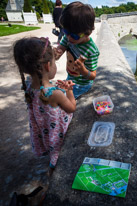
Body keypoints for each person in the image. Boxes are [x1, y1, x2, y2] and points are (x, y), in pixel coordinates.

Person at [13, 37, 76, 175]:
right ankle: (53, 171)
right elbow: (71, 107)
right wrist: (69, 90)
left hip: (44, 131)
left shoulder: (29, 86)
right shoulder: (55, 94)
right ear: (48, 66)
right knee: (56, 153)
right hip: (57, 135)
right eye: (54, 62)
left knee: (51, 148)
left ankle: (51, 164)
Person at [54, 1, 100, 99]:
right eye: (66, 32)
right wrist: (56, 54)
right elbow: (60, 49)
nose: (69, 37)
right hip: (70, 78)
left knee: (62, 102)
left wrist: (83, 70)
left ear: (87, 33)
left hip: (81, 85)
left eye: (74, 36)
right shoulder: (68, 37)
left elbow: (92, 75)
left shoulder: (91, 50)